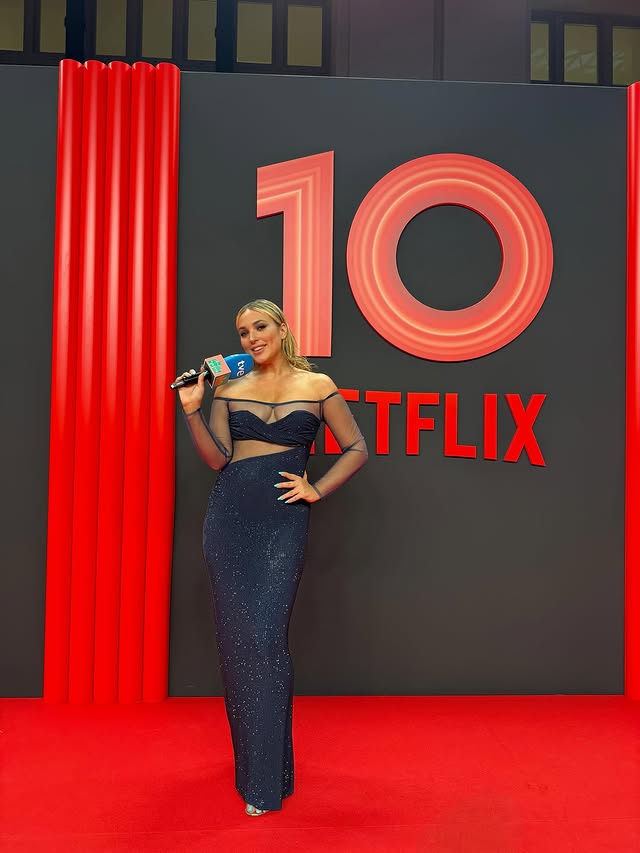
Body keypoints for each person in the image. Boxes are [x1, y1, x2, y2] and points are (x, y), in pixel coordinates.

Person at [176, 299, 368, 817]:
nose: (251, 338)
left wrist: (316, 489)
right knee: (239, 647)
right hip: (229, 517)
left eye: (259, 327)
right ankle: (259, 778)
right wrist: (192, 408)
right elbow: (217, 459)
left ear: (281, 328)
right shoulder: (229, 388)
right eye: (243, 333)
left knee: (266, 642)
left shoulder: (318, 385)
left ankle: (268, 775)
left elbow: (356, 448)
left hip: (282, 522)